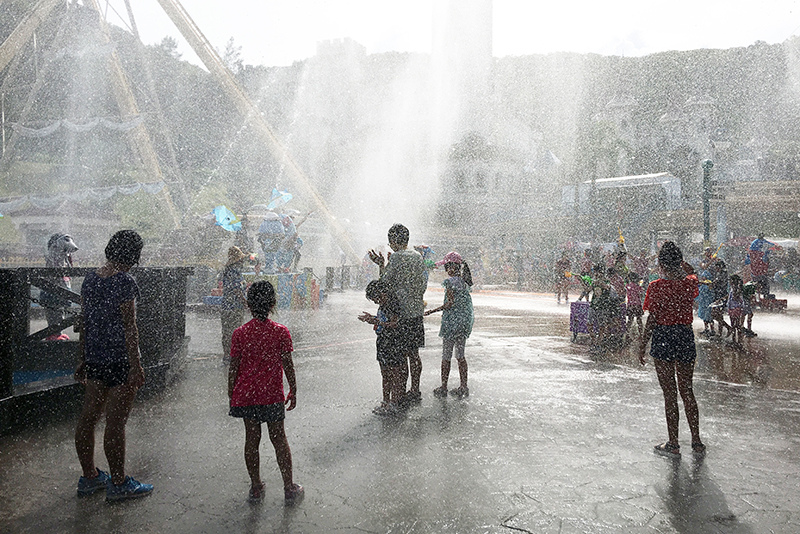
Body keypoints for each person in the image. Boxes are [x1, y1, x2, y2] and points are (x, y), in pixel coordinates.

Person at [74, 229, 153, 501]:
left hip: (95, 359)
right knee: (115, 423)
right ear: (134, 255)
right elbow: (130, 327)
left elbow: (84, 320)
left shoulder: (90, 280)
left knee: (89, 417)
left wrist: (82, 356)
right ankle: (118, 483)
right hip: (120, 361)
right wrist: (136, 365)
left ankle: (90, 477)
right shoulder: (125, 282)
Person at [228, 280, 303, 503]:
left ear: (249, 304)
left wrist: (231, 393)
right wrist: (294, 388)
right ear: (273, 303)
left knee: (252, 439)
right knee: (279, 439)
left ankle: (256, 487)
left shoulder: (240, 334)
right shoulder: (280, 332)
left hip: (247, 395)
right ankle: (289, 487)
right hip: (271, 395)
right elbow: (287, 364)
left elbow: (234, 367)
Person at [638, 241, 705, 458]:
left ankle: (674, 444)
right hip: (684, 336)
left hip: (664, 337)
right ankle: (696, 441)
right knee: (687, 391)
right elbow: (694, 274)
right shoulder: (689, 284)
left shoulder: (656, 287)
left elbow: (652, 319)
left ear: (660, 263)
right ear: (679, 261)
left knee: (670, 394)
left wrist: (642, 344)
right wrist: (682, 266)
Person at [368, 224, 427, 404]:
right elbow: (423, 283)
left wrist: (381, 265)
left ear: (393, 241)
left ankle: (399, 393)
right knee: (414, 353)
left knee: (400, 357)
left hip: (399, 314)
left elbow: (384, 285)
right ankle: (415, 389)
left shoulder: (397, 258)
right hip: (416, 311)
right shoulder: (417, 257)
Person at [424, 252, 474, 398]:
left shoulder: (450, 282)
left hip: (451, 324)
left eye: (447, 267)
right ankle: (463, 386)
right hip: (463, 324)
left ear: (453, 267)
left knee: (446, 356)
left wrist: (432, 311)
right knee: (460, 356)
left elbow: (449, 303)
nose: (446, 270)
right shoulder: (464, 283)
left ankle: (444, 386)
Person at [359, 280, 405, 416]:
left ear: (383, 293)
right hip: (383, 341)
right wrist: (372, 318)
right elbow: (383, 320)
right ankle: (385, 402)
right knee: (385, 374)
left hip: (393, 342)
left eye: (376, 298)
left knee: (394, 373)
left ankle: (394, 402)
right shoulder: (384, 305)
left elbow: (395, 324)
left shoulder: (393, 304)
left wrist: (377, 322)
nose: (376, 302)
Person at [41, 233, 79, 341]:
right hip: (53, 288)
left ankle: (57, 332)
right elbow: (56, 269)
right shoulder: (54, 253)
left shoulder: (63, 255)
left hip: (60, 287)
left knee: (59, 312)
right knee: (53, 312)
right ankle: (53, 334)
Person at [221, 246, 248, 363]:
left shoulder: (228, 269)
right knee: (235, 331)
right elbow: (236, 289)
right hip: (234, 305)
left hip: (227, 305)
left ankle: (227, 355)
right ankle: (233, 356)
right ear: (237, 259)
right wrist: (244, 301)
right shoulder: (234, 270)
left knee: (227, 331)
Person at [746, 233, 776, 303]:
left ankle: (759, 294)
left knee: (759, 282)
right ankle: (765, 294)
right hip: (760, 274)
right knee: (765, 282)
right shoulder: (762, 248)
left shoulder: (753, 246)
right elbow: (770, 245)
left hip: (754, 273)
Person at [696, 264, 715, 337]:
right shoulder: (702, 285)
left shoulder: (709, 285)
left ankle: (712, 330)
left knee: (709, 317)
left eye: (704, 276)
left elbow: (711, 293)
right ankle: (706, 329)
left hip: (708, 303)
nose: (702, 277)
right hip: (703, 303)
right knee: (704, 317)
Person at [624, 271, 644, 340]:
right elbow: (641, 295)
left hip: (630, 305)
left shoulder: (627, 286)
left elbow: (626, 293)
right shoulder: (638, 287)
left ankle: (627, 334)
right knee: (639, 320)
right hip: (637, 305)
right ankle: (641, 335)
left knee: (630, 321)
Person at [727, 274, 746, 344]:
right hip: (735, 308)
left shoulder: (735, 288)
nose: (729, 282)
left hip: (735, 308)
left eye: (730, 280)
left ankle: (736, 340)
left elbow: (735, 297)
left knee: (735, 325)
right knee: (737, 325)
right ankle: (737, 340)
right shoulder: (736, 287)